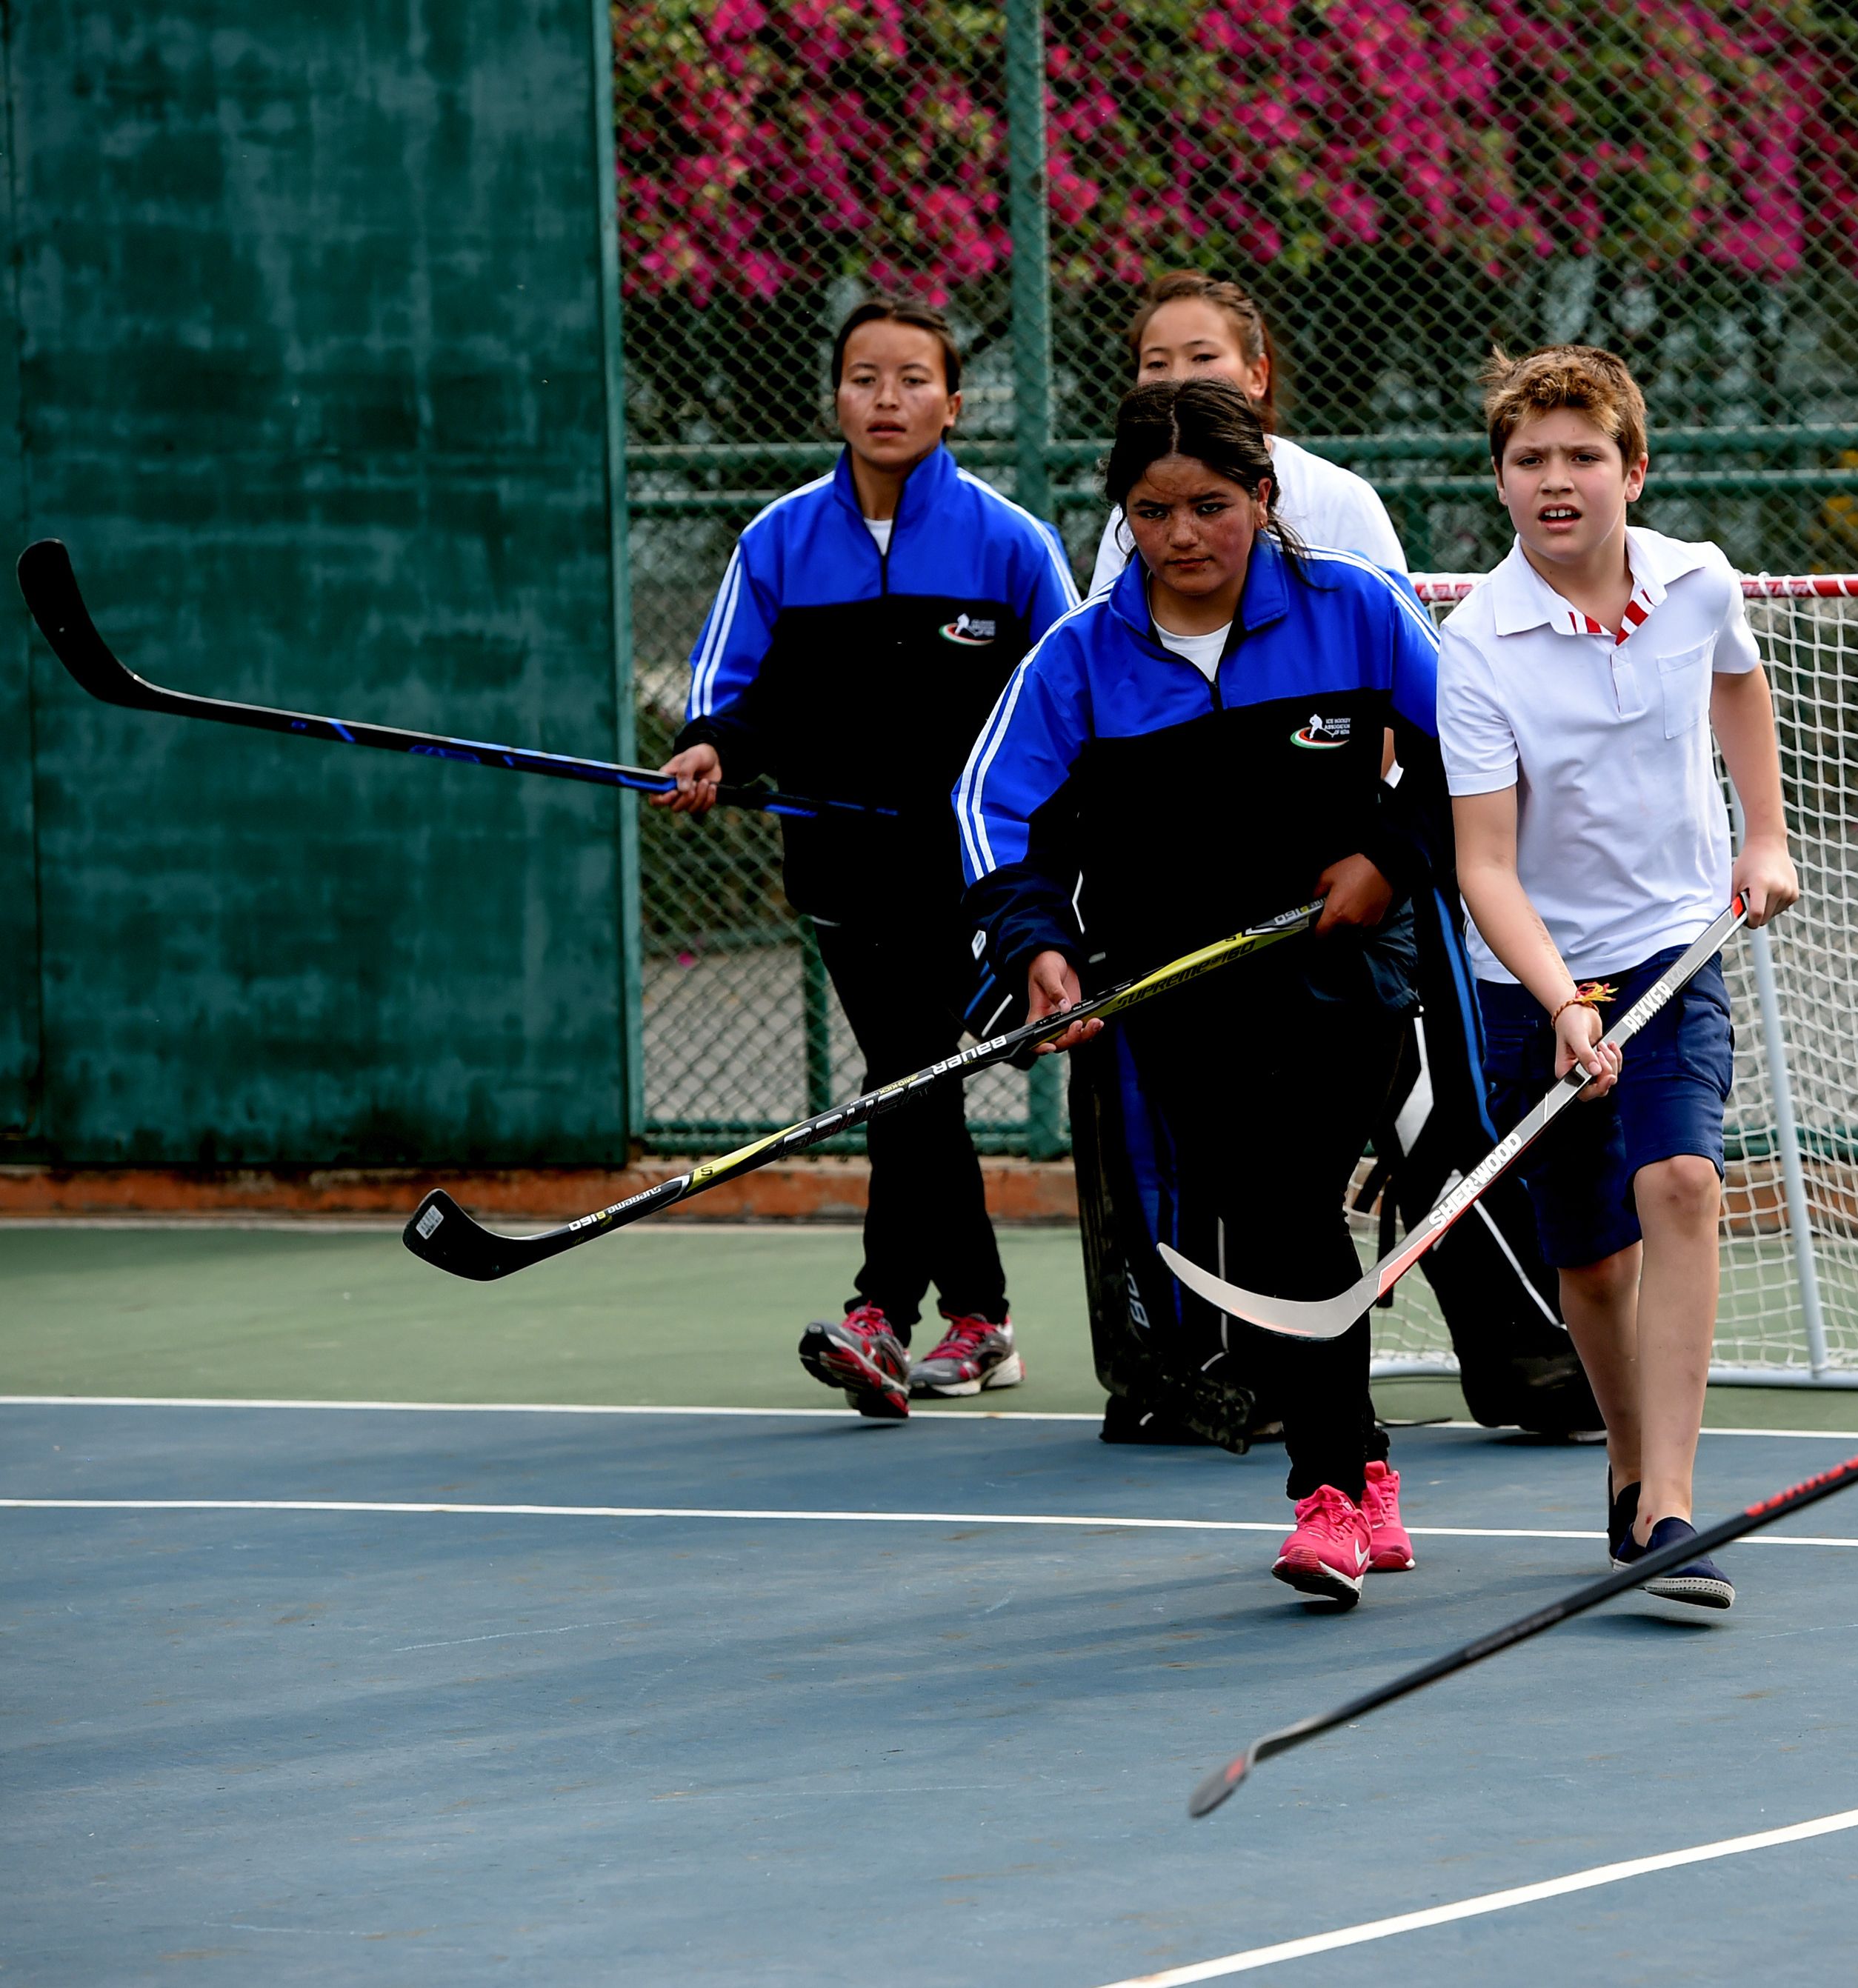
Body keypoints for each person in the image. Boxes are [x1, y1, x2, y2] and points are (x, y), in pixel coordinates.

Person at [956, 376, 1447, 1604]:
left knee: (1285, 1202)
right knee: (1272, 1213)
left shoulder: (1362, 611)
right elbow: (991, 807)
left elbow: (1482, 753)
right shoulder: (1080, 657)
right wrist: (1035, 946)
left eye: (1211, 505)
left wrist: (1389, 855)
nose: (1181, 535)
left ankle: (1325, 1490)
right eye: (1152, 509)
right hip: (1174, 992)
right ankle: (1368, 1461)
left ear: (1265, 497)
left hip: (1349, 974)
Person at [655, 298, 1076, 1419]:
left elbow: (1069, 699)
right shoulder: (780, 541)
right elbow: (734, 700)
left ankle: (897, 1312)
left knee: (908, 1074)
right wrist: (708, 752)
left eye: (910, 380)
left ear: (952, 401)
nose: (886, 400)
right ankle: (963, 1320)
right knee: (912, 1074)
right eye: (863, 379)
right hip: (839, 867)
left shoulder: (1010, 542)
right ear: (834, 396)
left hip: (972, 871)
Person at [1434, 344, 1800, 1611]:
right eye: (1530, 458)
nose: (1557, 478)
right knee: (1590, 1260)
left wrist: (1765, 833)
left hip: (1674, 942)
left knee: (1682, 1180)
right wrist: (1560, 1001)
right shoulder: (1476, 645)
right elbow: (1484, 863)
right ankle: (1630, 1463)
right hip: (1531, 965)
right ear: (1501, 484)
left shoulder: (1696, 581)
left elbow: (1739, 687)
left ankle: (1676, 1503)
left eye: (1583, 454)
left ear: (1631, 471)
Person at [1085, 271, 1405, 595]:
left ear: (1258, 374)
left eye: (1203, 357)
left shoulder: (1339, 497)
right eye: (1156, 363)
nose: (1178, 377)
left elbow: (1386, 626)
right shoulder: (1130, 515)